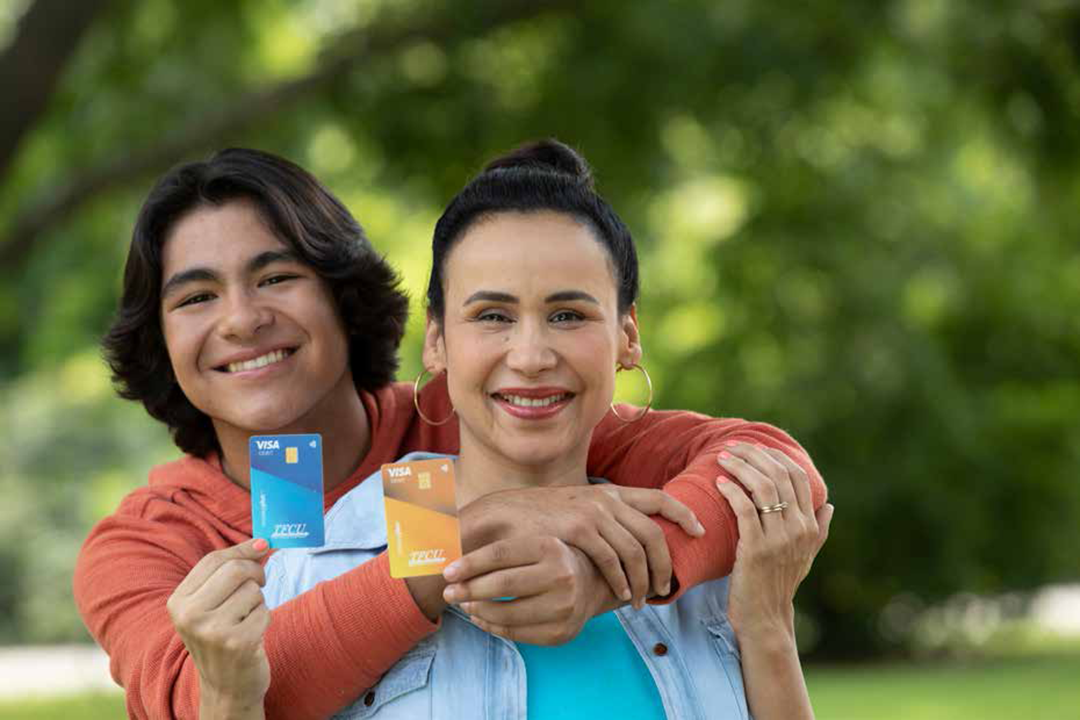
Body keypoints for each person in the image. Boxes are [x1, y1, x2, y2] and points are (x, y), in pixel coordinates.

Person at [73, 147, 827, 720]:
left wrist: (607, 573)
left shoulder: (471, 406)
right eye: (197, 296)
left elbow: (761, 465)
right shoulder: (151, 539)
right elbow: (212, 691)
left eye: (276, 277)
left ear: (343, 296)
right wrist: (468, 533)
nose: (241, 319)